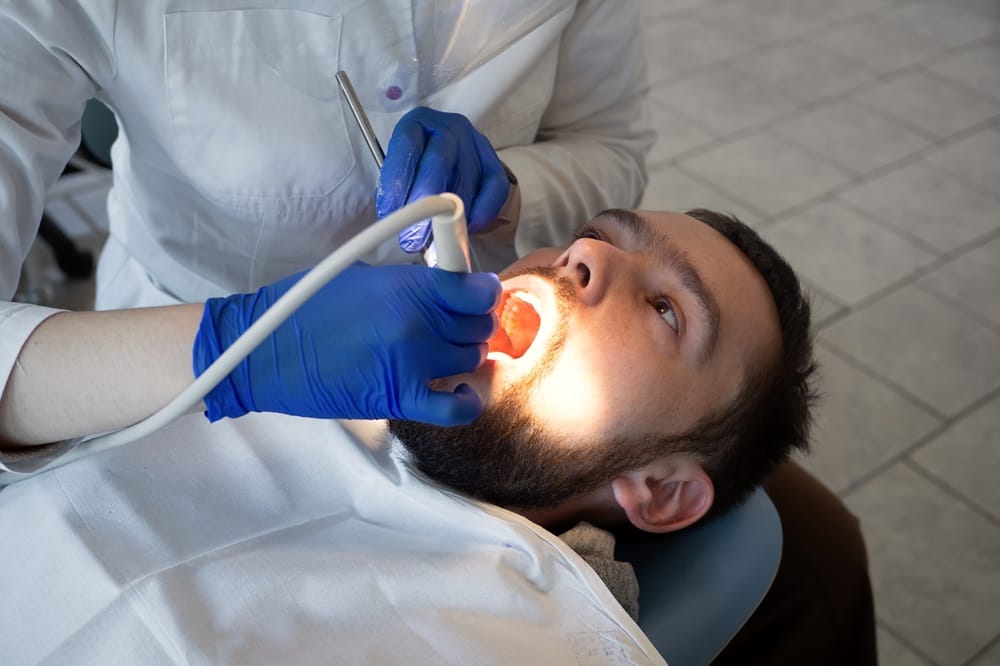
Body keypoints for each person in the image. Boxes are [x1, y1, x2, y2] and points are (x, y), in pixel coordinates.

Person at [0, 207, 817, 663]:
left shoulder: (541, 649)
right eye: (596, 235)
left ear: (664, 490)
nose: (586, 258)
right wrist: (225, 345)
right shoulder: (283, 366)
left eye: (667, 309)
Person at [0, 1, 653, 445]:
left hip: (457, 390)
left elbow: (611, 147)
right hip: (163, 366)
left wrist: (508, 191)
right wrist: (241, 354)